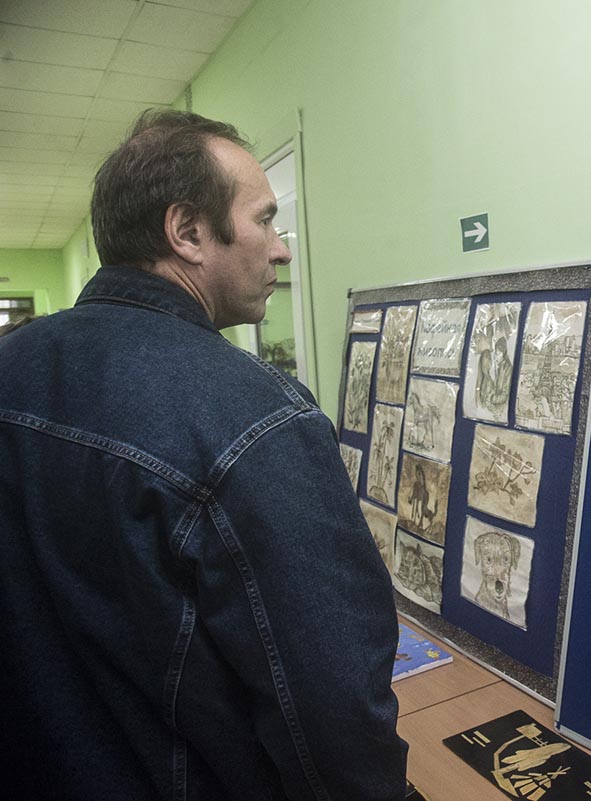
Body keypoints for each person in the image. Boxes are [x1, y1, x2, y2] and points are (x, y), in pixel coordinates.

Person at [0, 110, 410, 800]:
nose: (281, 250)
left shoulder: (14, 363)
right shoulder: (257, 418)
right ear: (188, 232)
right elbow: (334, 710)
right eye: (265, 220)